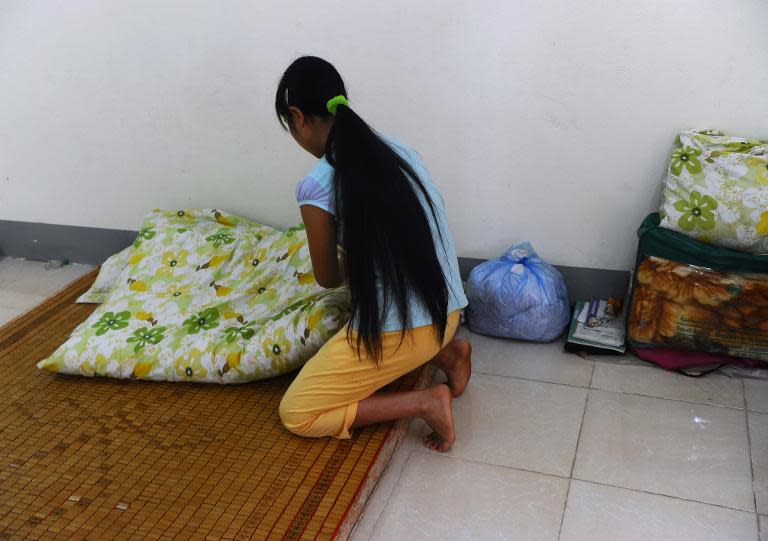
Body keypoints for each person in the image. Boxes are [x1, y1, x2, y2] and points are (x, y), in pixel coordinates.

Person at [275, 56, 471, 452]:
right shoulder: (399, 151)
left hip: (411, 329)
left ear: (298, 117)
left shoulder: (317, 185)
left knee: (297, 411)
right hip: (449, 309)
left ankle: (425, 402)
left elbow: (328, 276)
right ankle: (450, 355)